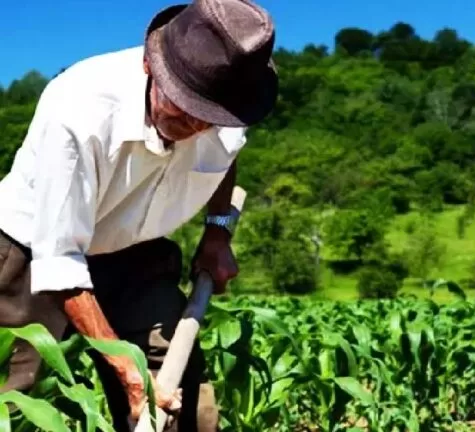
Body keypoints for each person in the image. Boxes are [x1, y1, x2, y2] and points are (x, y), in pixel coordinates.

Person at [0, 0, 278, 430]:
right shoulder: (78, 109)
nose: (196, 126)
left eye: (209, 117)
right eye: (183, 107)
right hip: (33, 252)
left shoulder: (231, 103)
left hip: (136, 250)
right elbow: (60, 264)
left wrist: (218, 233)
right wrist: (128, 375)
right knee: (13, 403)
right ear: (150, 64)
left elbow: (224, 158)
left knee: (182, 406)